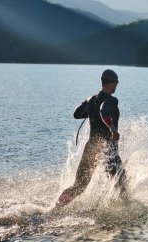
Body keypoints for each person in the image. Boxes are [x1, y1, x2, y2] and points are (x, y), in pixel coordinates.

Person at [53, 69, 126, 210]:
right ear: (110, 82)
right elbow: (104, 111)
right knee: (121, 182)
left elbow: (76, 114)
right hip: (106, 148)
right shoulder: (111, 100)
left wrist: (90, 110)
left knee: (79, 186)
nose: (117, 85)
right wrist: (112, 128)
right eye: (116, 82)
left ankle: (54, 210)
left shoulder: (91, 99)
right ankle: (126, 211)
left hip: (92, 147)